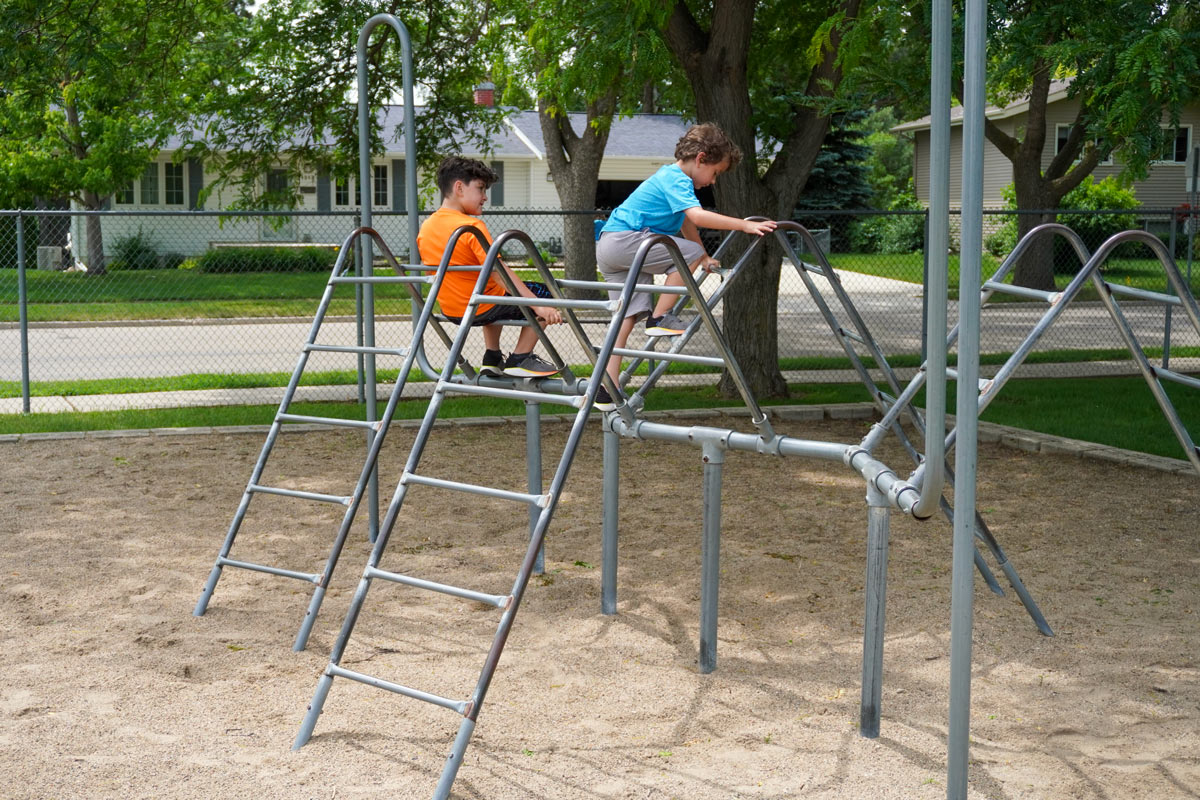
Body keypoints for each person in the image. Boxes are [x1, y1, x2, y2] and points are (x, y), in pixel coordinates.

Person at [594, 123, 777, 408]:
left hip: (613, 246)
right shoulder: (676, 177)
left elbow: (687, 222)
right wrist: (742, 225)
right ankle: (660, 318)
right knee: (685, 255)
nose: (714, 181)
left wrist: (701, 255)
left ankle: (607, 388)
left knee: (624, 317)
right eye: (715, 173)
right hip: (627, 241)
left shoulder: (671, 182)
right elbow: (698, 216)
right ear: (701, 158)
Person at [417, 156, 563, 378]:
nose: (485, 197)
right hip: (482, 307)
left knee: (491, 290)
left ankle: (492, 358)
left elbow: (431, 273)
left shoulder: (427, 227)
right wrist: (539, 306)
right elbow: (500, 274)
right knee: (546, 293)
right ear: (459, 188)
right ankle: (520, 358)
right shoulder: (471, 227)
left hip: (452, 310)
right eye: (480, 189)